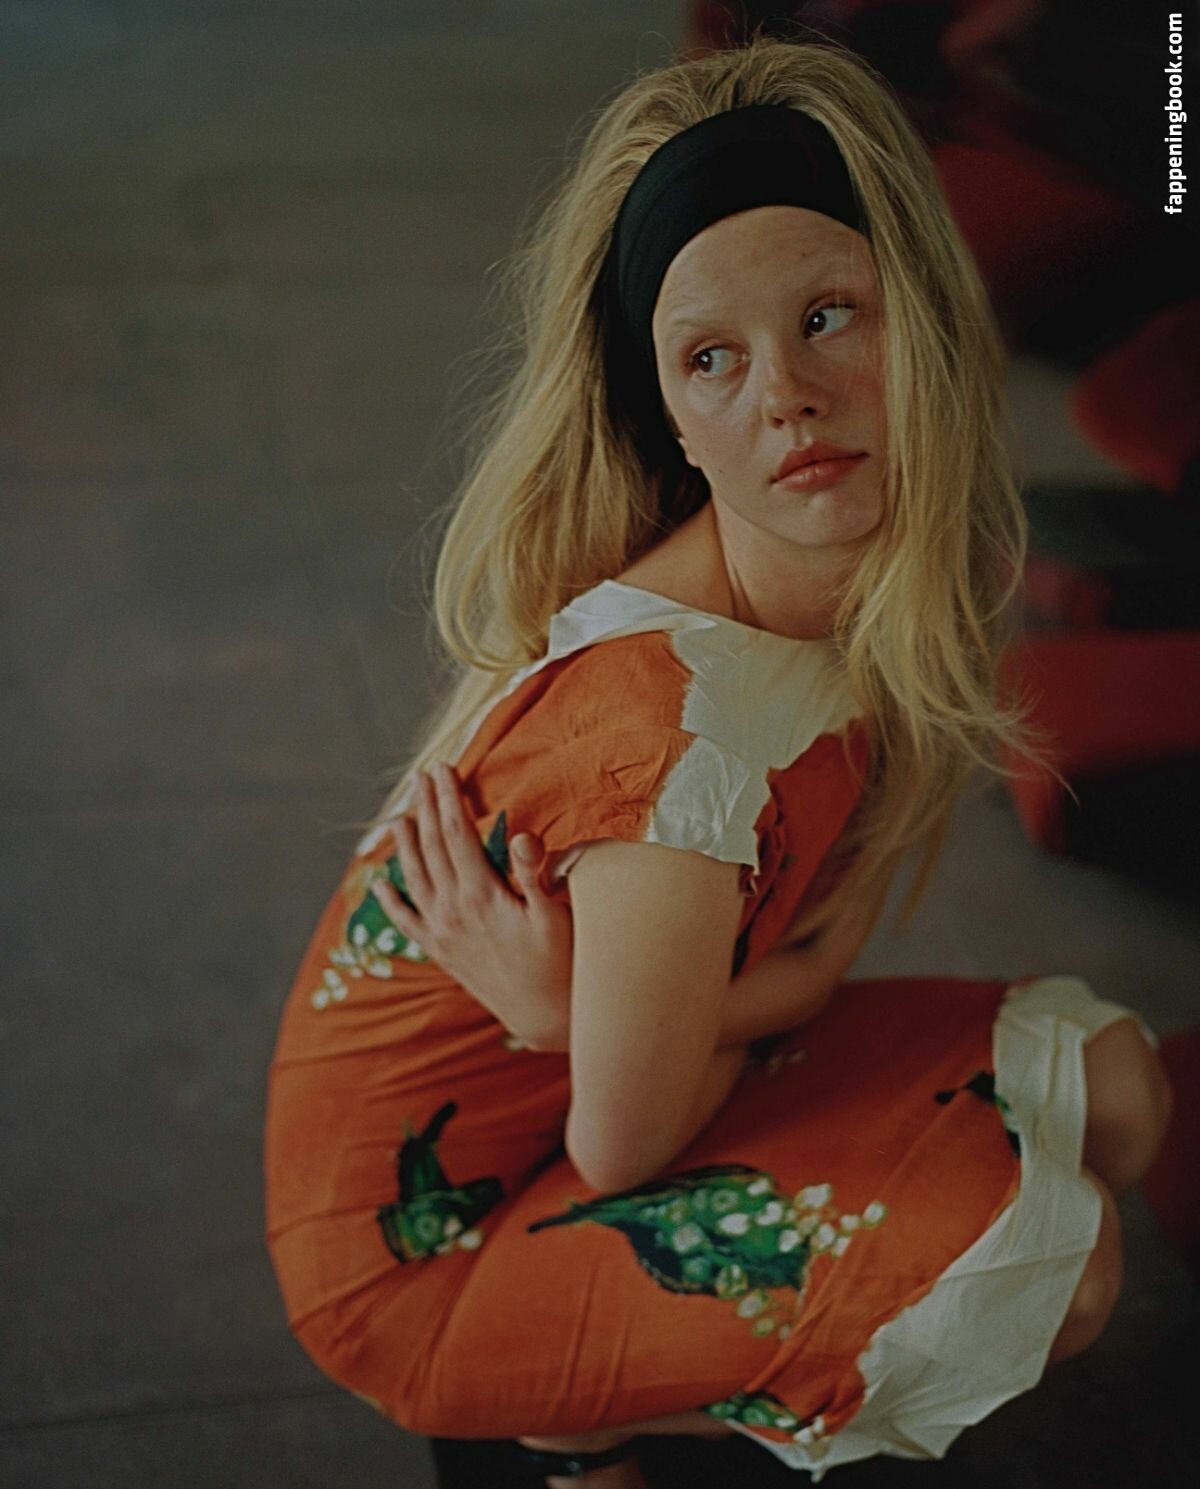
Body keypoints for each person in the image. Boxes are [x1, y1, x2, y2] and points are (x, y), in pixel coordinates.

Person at [263, 36, 1174, 1488]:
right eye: (712, 358)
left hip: (613, 1077)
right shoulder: (679, 744)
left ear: (920, 322)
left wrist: (620, 1009)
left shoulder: (836, 597)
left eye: (828, 315)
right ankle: (573, 1414)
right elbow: (624, 1145)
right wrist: (579, 1020)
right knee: (1067, 1272)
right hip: (428, 1266)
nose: (788, 395)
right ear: (672, 419)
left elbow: (797, 974)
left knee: (1118, 1084)